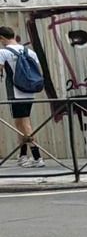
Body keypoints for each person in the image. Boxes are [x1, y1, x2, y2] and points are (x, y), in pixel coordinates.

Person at [1, 26, 45, 168]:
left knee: (25, 124)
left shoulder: (3, 52)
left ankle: (38, 157)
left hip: (15, 92)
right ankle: (23, 156)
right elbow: (38, 72)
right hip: (28, 91)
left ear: (2, 38)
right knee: (20, 124)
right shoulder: (29, 51)